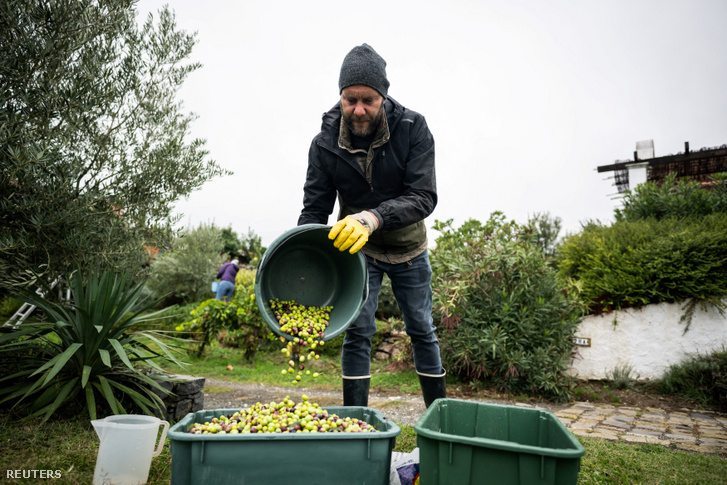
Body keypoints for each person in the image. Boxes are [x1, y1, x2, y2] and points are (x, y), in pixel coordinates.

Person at [298, 43, 446, 408]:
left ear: (384, 96)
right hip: (357, 250)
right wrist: (303, 263)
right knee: (358, 329)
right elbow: (315, 209)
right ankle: (354, 426)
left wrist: (372, 217)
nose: (358, 109)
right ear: (341, 96)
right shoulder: (324, 143)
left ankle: (438, 416)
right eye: (350, 100)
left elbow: (424, 197)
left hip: (408, 248)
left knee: (421, 329)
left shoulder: (413, 128)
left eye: (368, 100)